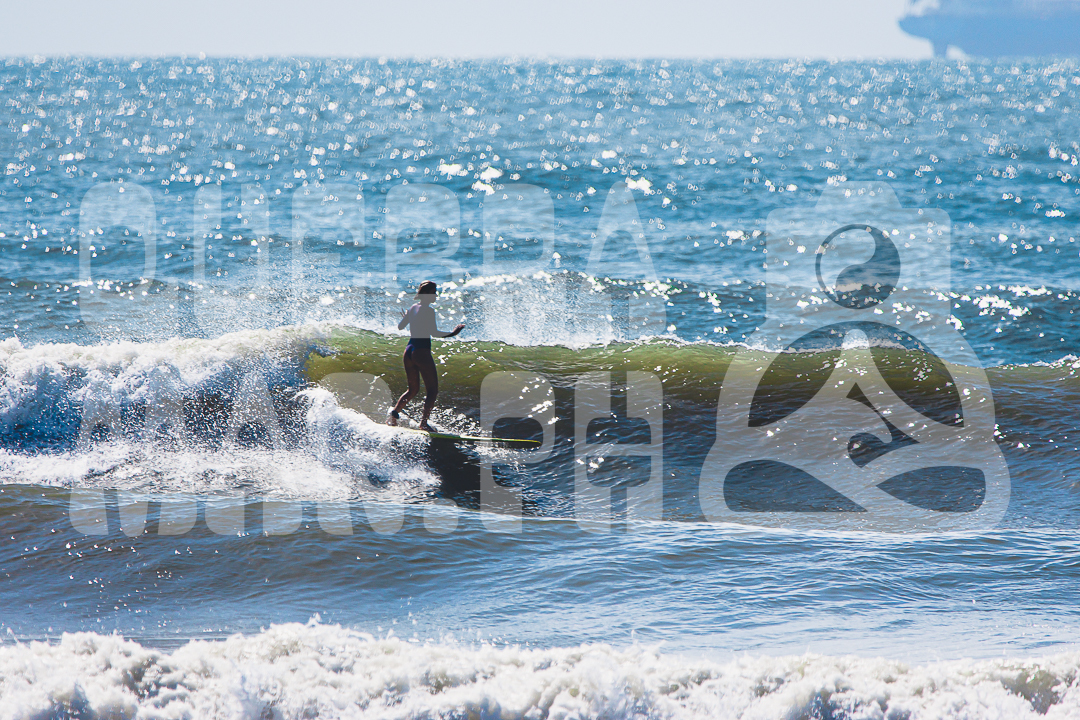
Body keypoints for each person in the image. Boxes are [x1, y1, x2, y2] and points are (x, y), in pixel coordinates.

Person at [387, 281, 465, 431]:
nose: (436, 295)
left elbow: (400, 326)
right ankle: (423, 423)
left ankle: (394, 415)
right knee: (432, 391)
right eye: (433, 292)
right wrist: (453, 333)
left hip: (409, 350)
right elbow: (434, 333)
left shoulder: (413, 308)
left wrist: (408, 317)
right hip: (421, 351)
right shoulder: (429, 310)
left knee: (412, 390)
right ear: (427, 294)